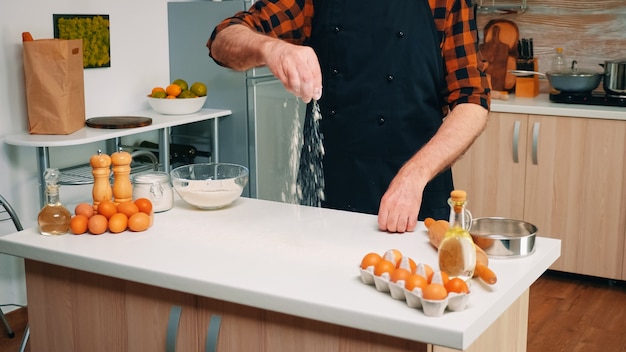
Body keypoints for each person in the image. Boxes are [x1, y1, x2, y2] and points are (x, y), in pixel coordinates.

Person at [207, 0, 490, 233]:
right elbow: (223, 38)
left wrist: (414, 176)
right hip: (329, 191)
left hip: (415, 197)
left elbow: (472, 100)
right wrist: (271, 48)